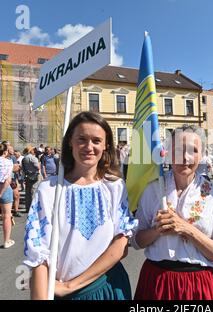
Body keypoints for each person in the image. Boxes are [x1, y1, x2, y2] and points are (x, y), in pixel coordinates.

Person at [23, 111, 138, 300]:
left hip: (108, 287)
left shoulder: (114, 186)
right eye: (82, 139)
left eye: (96, 140)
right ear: (70, 141)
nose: (89, 147)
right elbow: (38, 254)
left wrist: (72, 285)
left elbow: (121, 244)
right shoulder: (49, 189)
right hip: (60, 291)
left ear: (106, 145)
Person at [132, 125, 213, 300]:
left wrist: (186, 229)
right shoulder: (153, 189)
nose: (185, 157)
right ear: (168, 153)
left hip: (200, 285)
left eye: (193, 150)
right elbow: (136, 241)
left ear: (201, 155)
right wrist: (157, 230)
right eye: (178, 150)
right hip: (158, 282)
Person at [0, 143, 15, 249]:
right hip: (4, 189)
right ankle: (6, 240)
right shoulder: (8, 162)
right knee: (6, 216)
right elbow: (8, 180)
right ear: (5, 152)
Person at [22, 145, 41, 213]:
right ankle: (33, 209)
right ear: (31, 151)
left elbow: (23, 169)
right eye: (33, 150)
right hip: (34, 176)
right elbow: (38, 167)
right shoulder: (33, 158)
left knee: (27, 193)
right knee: (33, 192)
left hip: (28, 176)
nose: (34, 151)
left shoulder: (24, 158)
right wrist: (39, 164)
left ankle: (28, 208)